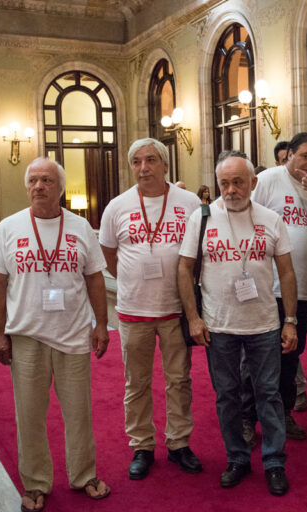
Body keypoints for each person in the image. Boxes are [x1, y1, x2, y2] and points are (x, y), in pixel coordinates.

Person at [0, 157, 111, 512]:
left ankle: (84, 475)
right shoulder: (9, 228)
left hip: (72, 335)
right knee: (29, 415)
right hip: (26, 337)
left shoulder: (81, 227)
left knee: (79, 413)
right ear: (27, 187)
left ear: (60, 188)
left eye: (46, 180)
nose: (39, 186)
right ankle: (36, 483)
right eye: (33, 181)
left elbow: (94, 278)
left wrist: (101, 324)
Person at [178, 151, 298, 496]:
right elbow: (184, 269)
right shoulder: (202, 218)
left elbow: (287, 272)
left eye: (238, 182)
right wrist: (193, 318)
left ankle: (274, 462)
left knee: (269, 395)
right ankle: (237, 458)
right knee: (227, 396)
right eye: (224, 183)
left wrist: (290, 321)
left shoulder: (271, 219)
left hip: (264, 325)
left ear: (253, 183)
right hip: (219, 327)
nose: (230, 189)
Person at [99, 138, 203, 481]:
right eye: (137, 161)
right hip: (133, 311)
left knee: (179, 380)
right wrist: (134, 279)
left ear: (165, 164)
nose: (144, 167)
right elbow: (110, 256)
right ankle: (142, 445)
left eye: (151, 160)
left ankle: (178, 444)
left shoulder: (189, 203)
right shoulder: (117, 206)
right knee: (137, 383)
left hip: (176, 309)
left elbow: (200, 253)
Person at [250, 132, 307, 441]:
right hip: (269, 288)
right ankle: (248, 419)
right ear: (289, 154)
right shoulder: (268, 179)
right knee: (259, 358)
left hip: (302, 288)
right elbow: (246, 219)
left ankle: (284, 414)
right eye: (305, 156)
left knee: (292, 356)